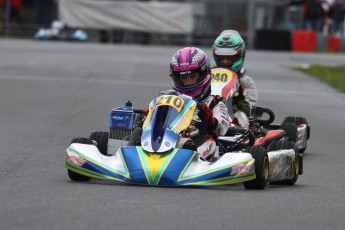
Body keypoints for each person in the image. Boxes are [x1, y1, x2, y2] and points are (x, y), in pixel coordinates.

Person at [169, 47, 231, 160]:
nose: (188, 82)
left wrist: (209, 118)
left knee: (208, 142)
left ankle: (191, 159)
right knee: (139, 132)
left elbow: (222, 128)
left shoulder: (215, 102)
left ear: (204, 73)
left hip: (202, 143)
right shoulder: (172, 99)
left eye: (192, 77)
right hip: (171, 140)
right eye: (184, 78)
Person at [211, 30, 257, 128]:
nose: (225, 61)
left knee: (241, 115)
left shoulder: (245, 81)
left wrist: (240, 103)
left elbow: (251, 108)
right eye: (221, 58)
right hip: (209, 115)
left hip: (233, 121)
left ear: (240, 55)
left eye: (229, 58)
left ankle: (239, 137)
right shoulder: (207, 77)